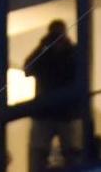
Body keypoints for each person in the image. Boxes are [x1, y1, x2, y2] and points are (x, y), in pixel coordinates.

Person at [22, 19, 83, 167]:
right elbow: (27, 69)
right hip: (45, 112)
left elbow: (81, 71)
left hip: (65, 112)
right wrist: (42, 46)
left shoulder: (72, 53)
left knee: (72, 154)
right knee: (39, 154)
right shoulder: (44, 55)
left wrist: (66, 47)